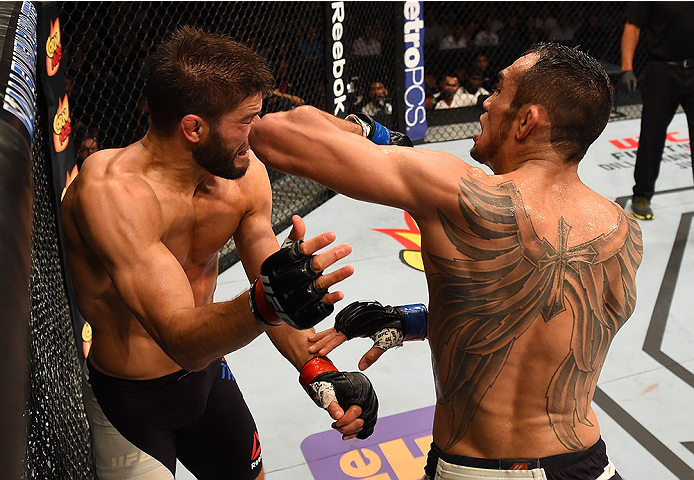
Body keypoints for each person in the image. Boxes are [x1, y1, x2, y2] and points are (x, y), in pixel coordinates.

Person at [249, 43, 643, 480]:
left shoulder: (457, 189)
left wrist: (373, 135)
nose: (486, 102)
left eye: (499, 90)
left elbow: (275, 132)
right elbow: (552, 321)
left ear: (527, 120)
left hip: (474, 467)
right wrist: (411, 321)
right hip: (584, 464)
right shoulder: (622, 232)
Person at [60, 26, 378, 480]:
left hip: (209, 381)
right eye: (245, 120)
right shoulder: (112, 194)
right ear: (194, 127)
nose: (258, 131)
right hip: (132, 401)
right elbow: (180, 336)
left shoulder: (243, 176)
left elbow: (271, 283)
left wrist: (318, 367)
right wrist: (265, 302)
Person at [620, 1, 694, 220]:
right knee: (652, 134)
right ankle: (642, 194)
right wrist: (627, 68)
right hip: (662, 71)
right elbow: (633, 26)